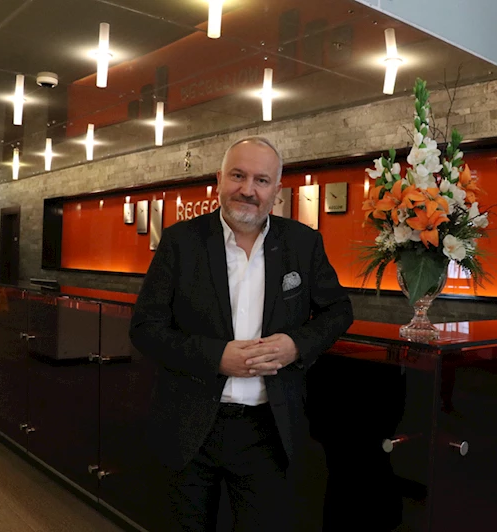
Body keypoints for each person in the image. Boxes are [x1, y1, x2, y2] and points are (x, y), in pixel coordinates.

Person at [129, 136, 353, 531]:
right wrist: (217, 357)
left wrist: (295, 345)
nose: (248, 189)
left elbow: (338, 311)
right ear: (219, 179)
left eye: (261, 180)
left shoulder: (303, 243)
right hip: (189, 425)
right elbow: (145, 329)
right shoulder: (180, 242)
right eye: (238, 175)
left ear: (276, 190)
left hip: (270, 429)